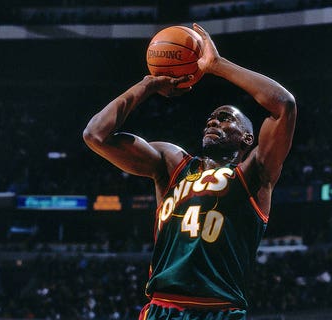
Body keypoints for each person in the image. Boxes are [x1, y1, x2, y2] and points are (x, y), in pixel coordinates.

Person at [83, 23, 296, 320]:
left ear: (248, 138)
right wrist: (148, 85)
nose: (213, 122)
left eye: (225, 119)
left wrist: (217, 66)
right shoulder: (172, 164)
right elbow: (96, 135)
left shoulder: (253, 176)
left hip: (217, 310)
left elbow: (284, 105)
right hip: (161, 307)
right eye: (210, 118)